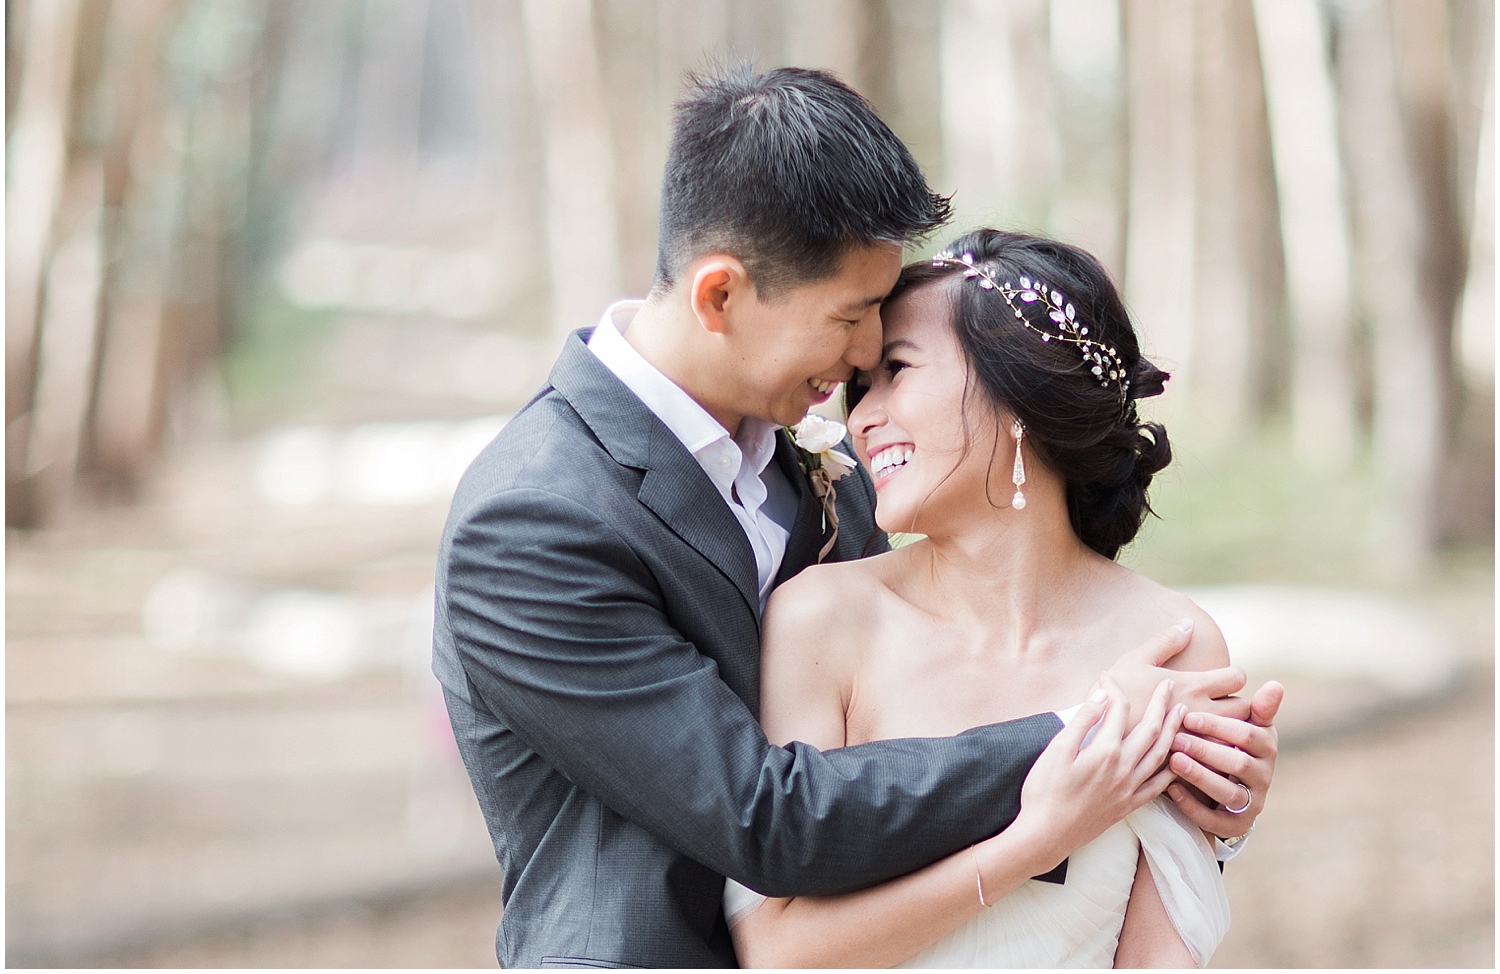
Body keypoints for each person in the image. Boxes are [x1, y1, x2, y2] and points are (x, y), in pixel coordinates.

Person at [432, 66, 1280, 969]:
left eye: (886, 332)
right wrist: (1100, 736)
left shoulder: (817, 465)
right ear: (720, 295)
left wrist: (1195, 800)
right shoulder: (533, 520)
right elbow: (768, 816)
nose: (865, 355)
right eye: (852, 316)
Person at [724, 229, 1276, 968]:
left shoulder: (1173, 644)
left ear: (1015, 395)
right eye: (862, 390)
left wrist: (1222, 823)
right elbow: (777, 950)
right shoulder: (824, 621)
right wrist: (1035, 843)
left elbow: (1154, 957)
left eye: (897, 370)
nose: (861, 417)